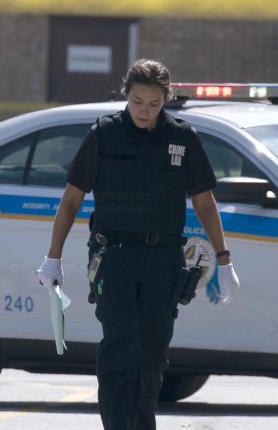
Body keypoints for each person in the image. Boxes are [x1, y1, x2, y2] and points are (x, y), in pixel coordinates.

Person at [36, 58, 240, 430]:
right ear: (126, 95)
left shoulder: (182, 138)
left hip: (163, 260)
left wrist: (224, 260)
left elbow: (205, 203)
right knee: (119, 350)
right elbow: (71, 199)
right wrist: (54, 257)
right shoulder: (104, 135)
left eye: (154, 104)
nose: (144, 111)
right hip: (114, 258)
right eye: (137, 102)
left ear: (167, 99)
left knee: (151, 356)